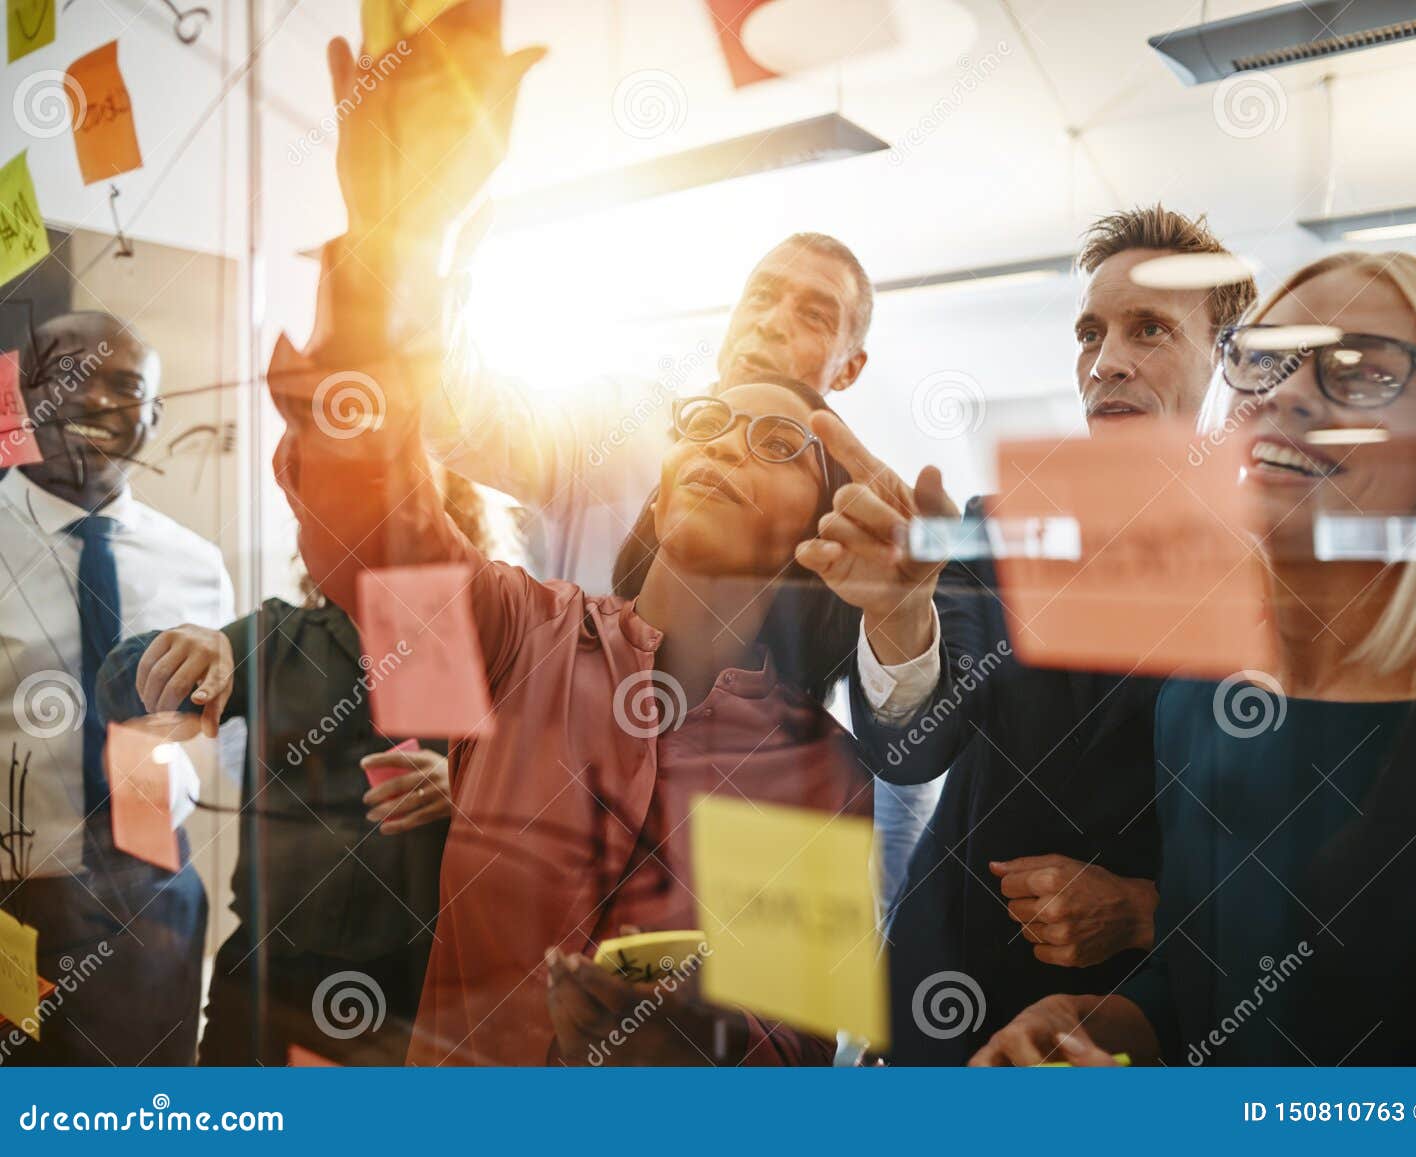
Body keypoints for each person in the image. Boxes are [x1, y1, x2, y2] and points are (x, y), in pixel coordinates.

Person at [267, 6, 873, 1065]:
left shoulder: (817, 771)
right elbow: (360, 520)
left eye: (774, 441)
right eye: (705, 424)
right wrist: (393, 246)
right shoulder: (517, 633)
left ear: (815, 531)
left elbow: (787, 1051)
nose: (725, 442)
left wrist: (693, 1041)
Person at [971, 251, 1416, 1066]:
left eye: (1363, 369)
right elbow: (1209, 978)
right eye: (1264, 358)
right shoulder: (1203, 706)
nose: (1286, 392)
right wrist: (1098, 1021)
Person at [796, 206, 1257, 1063]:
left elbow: (1303, 854)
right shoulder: (999, 526)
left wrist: (1146, 908)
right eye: (1091, 332)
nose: (1106, 361)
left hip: (1124, 1032)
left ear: (1227, 361)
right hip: (941, 1002)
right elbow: (909, 749)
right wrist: (900, 616)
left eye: (1148, 329)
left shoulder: (1273, 583)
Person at [94, 469, 493, 1065]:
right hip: (265, 982)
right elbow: (120, 689)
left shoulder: (495, 647)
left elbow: (562, 790)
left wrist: (467, 789)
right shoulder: (272, 637)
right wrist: (178, 651)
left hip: (424, 989)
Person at [0, 310, 233, 1064]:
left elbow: (226, 740)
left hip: (154, 893)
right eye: (69, 378)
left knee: (147, 1116)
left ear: (155, 418)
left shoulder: (197, 565)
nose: (97, 401)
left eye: (126, 387)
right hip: (14, 900)